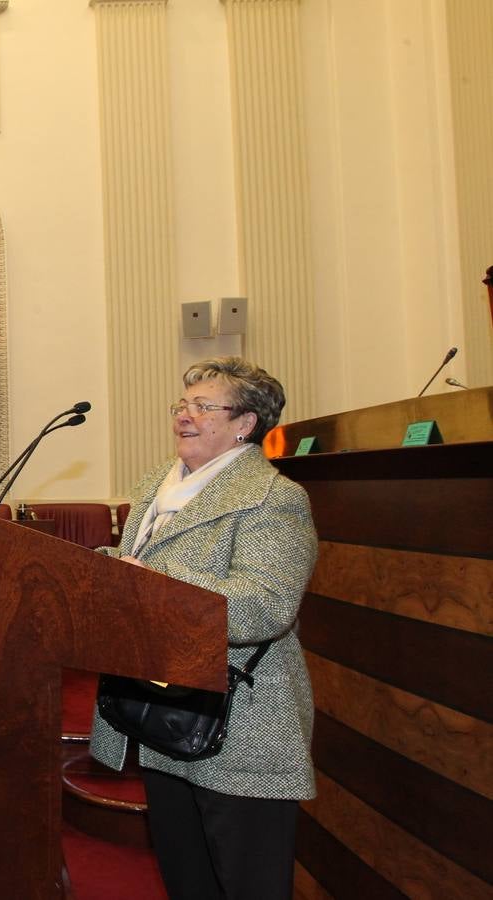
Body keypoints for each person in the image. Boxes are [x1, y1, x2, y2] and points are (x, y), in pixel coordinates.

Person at [89, 357, 318, 900]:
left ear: (245, 424)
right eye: (182, 405)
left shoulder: (274, 498)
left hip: (241, 727)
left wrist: (153, 578)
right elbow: (135, 569)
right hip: (165, 713)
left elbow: (267, 607)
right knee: (187, 881)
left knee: (248, 884)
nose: (184, 416)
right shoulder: (156, 489)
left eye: (203, 406)